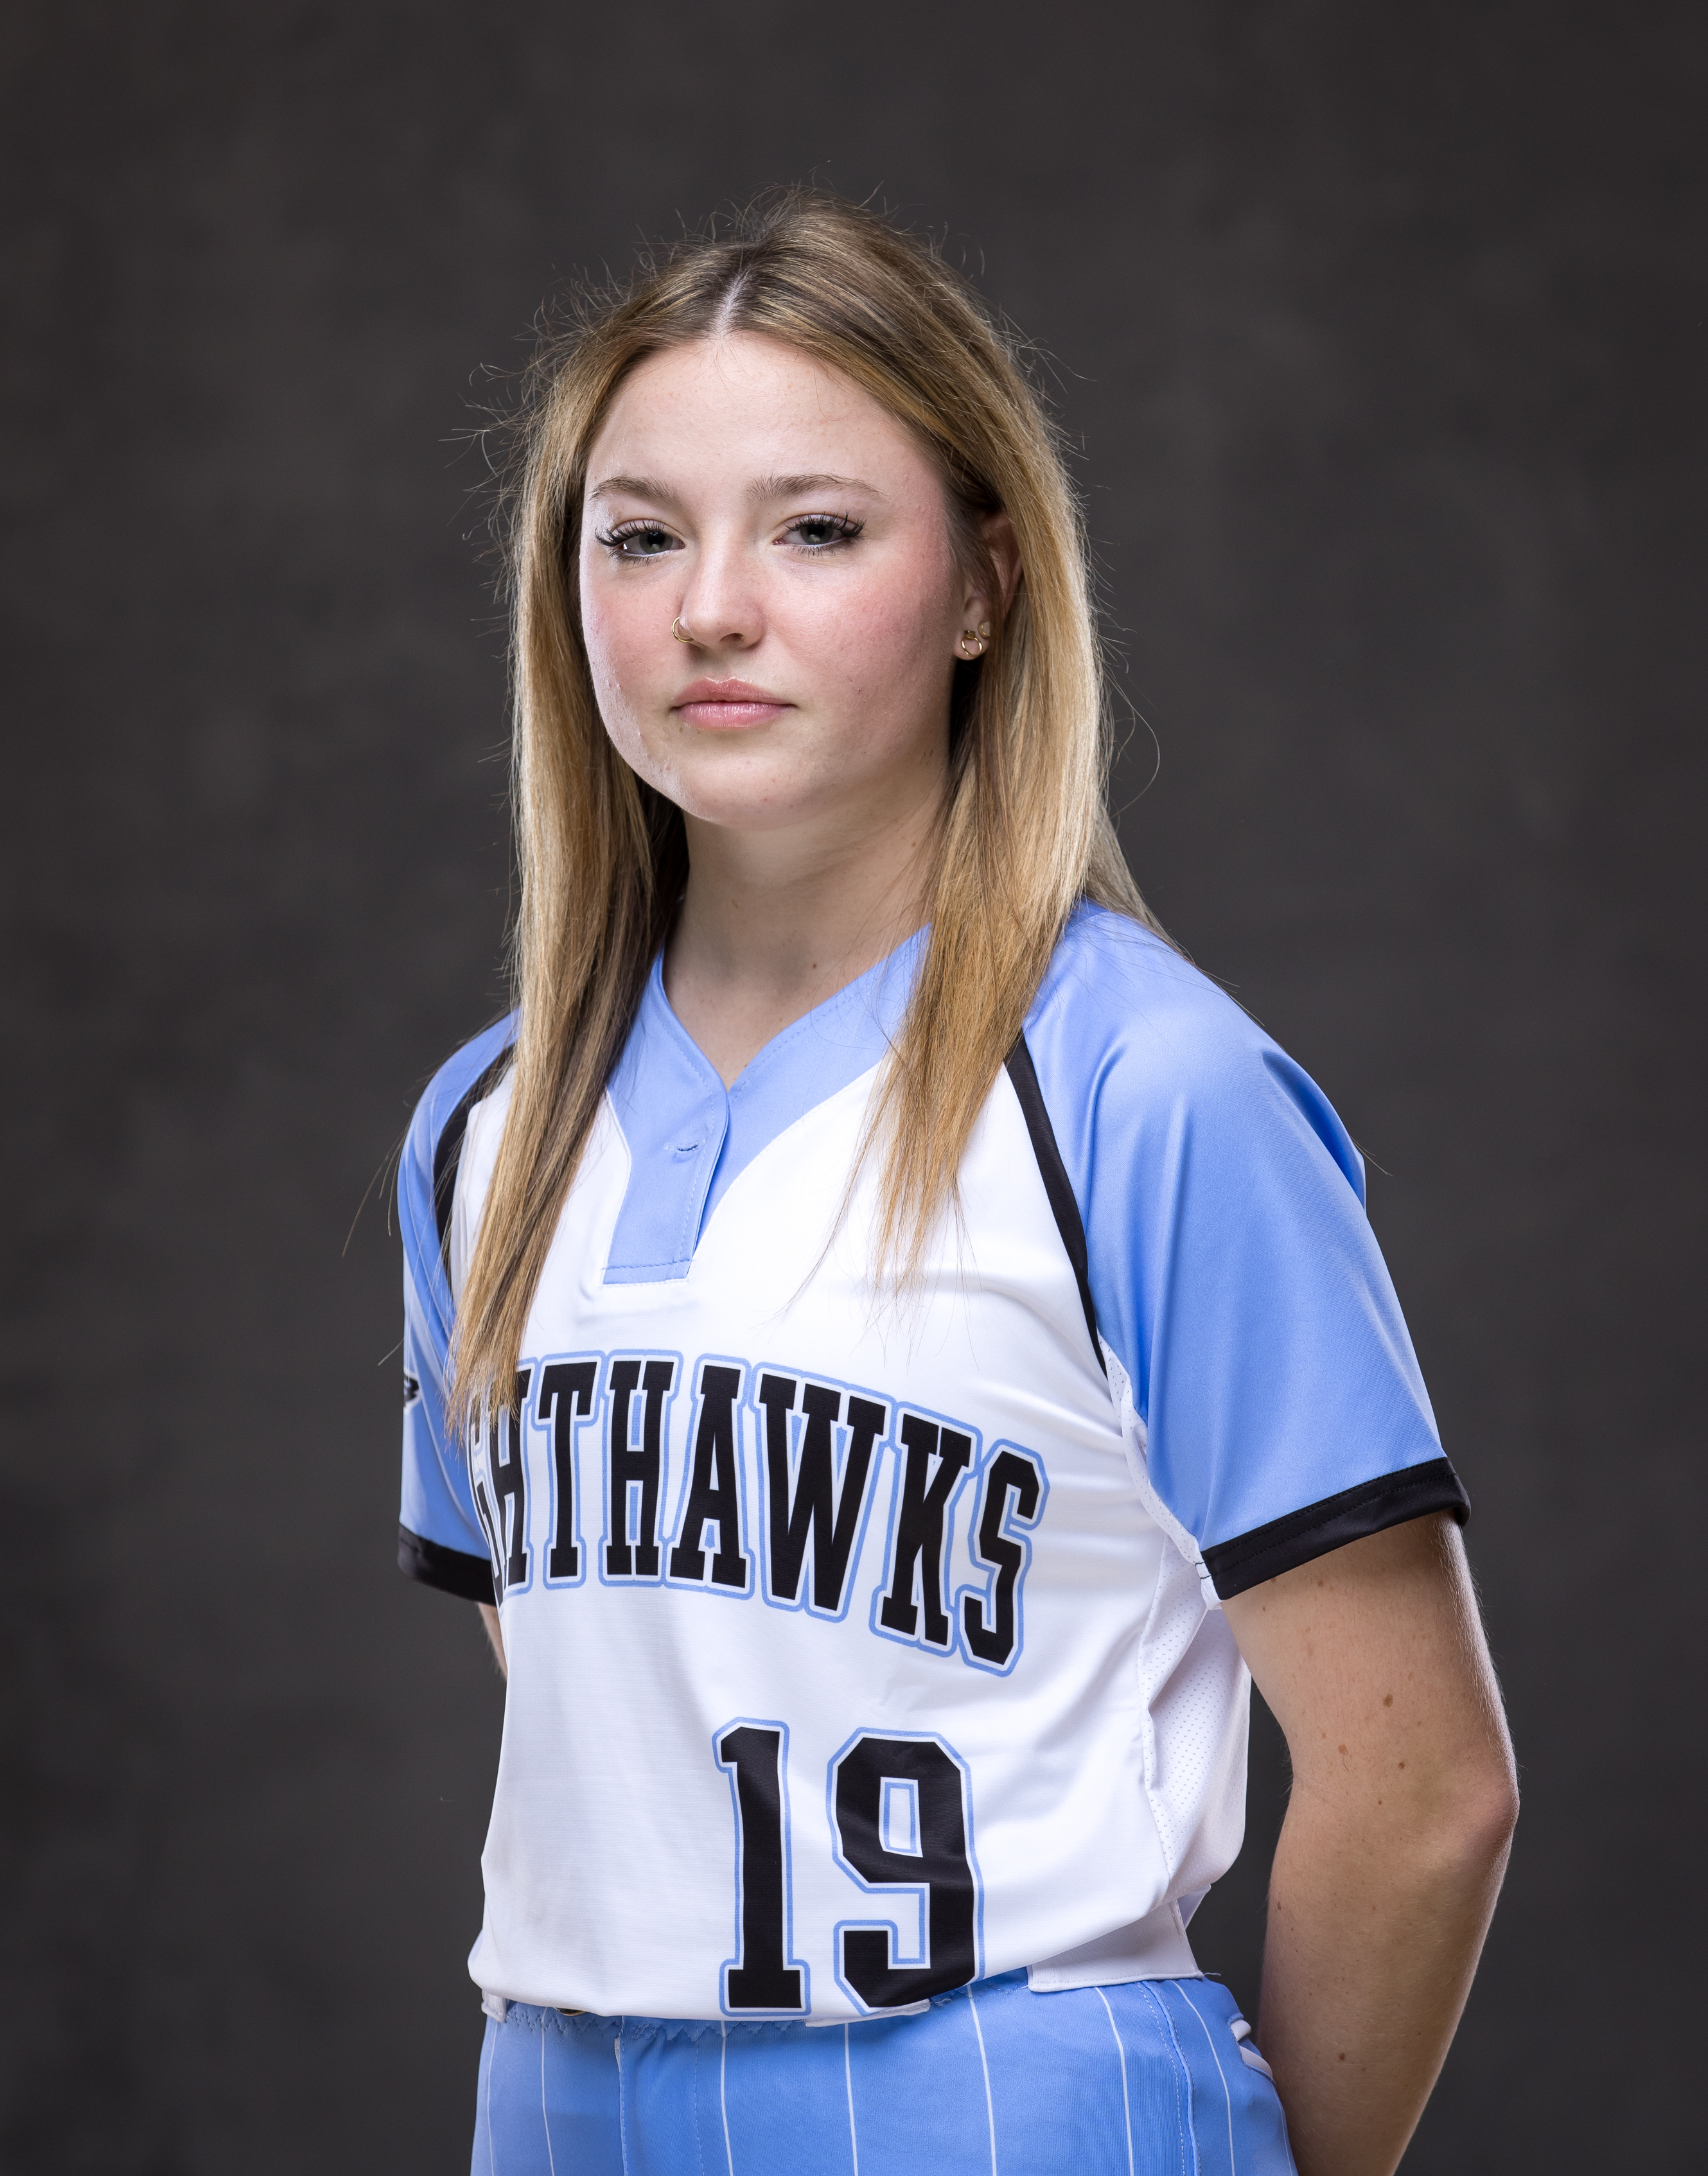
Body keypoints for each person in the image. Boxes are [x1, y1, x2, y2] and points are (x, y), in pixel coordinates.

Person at [396, 190, 1517, 2176]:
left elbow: (1420, 1785)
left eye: (815, 529)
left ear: (986, 584)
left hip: (1005, 2094)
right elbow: (617, 1677)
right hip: (555, 2097)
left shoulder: (1140, 1089)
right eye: (637, 535)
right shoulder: (489, 1128)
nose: (709, 607)